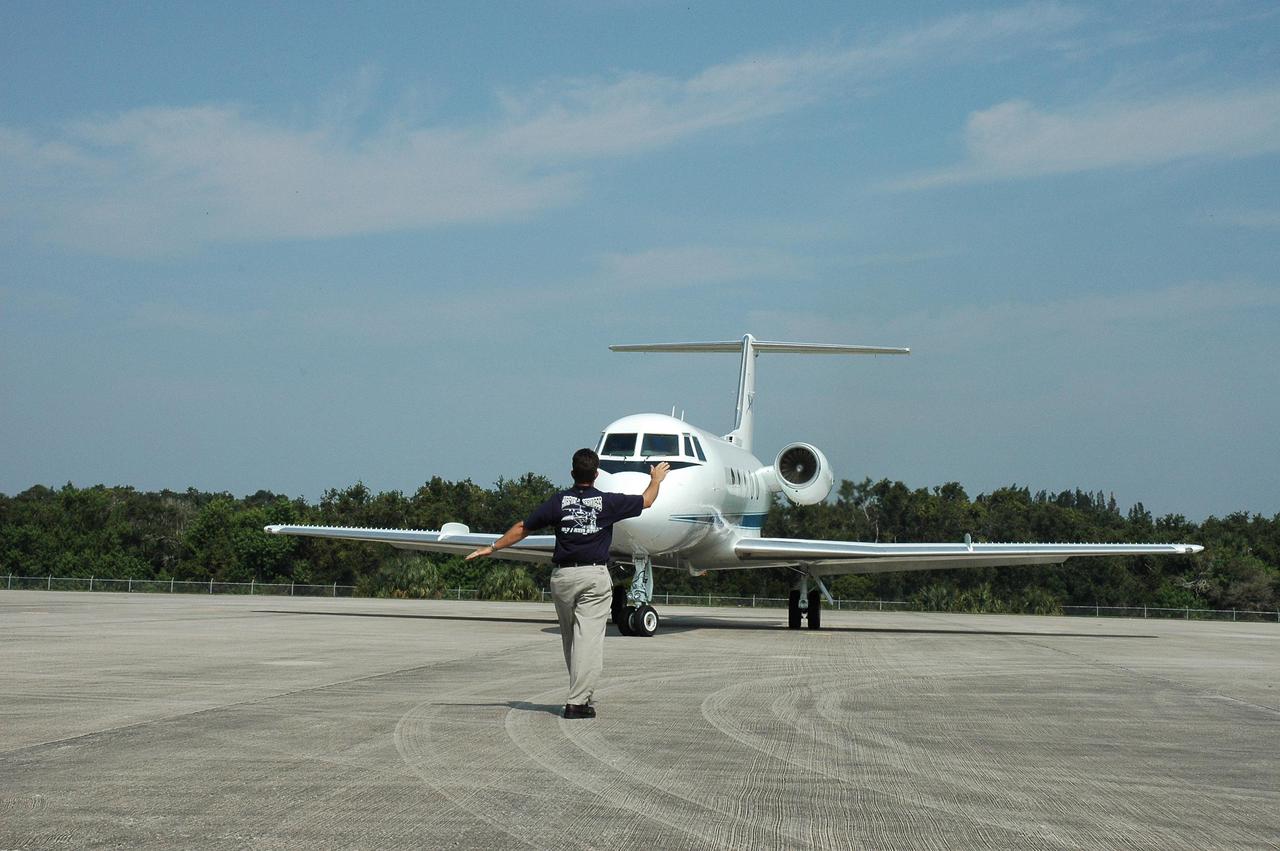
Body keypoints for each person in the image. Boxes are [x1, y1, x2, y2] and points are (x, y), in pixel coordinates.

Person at [466, 448, 669, 719]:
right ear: (596, 474)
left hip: (562, 579)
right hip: (593, 578)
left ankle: (580, 693)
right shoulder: (607, 503)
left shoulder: (558, 502)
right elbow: (646, 501)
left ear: (573, 473)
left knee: (571, 640)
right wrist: (656, 479)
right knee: (588, 642)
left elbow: (522, 527)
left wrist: (492, 547)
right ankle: (577, 702)